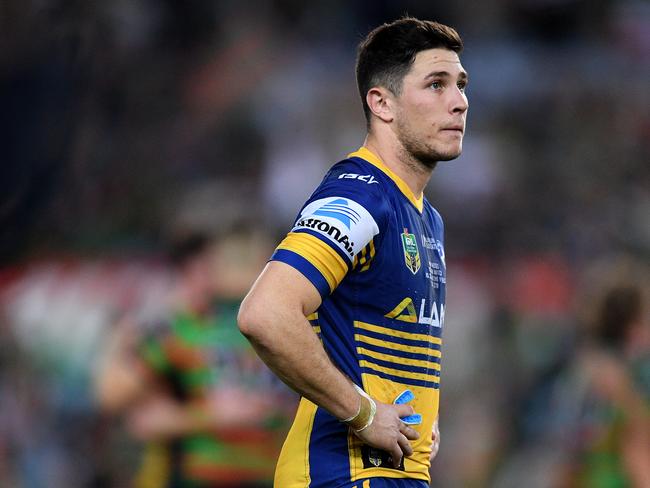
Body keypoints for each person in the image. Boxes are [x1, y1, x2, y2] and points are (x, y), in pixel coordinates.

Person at [237, 16, 468, 488]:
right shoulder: (360, 193)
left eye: (461, 85)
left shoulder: (428, 219)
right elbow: (266, 313)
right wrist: (362, 414)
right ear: (382, 103)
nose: (459, 102)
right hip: (341, 475)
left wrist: (424, 413)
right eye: (436, 84)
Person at [95, 231, 285, 487]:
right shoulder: (177, 331)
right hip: (196, 477)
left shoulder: (272, 327)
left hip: (270, 476)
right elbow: (121, 402)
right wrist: (212, 415)